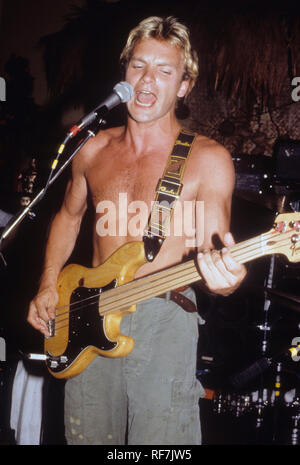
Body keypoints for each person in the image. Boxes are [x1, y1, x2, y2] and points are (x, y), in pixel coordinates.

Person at [27, 16, 246, 445]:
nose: (148, 81)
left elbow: (216, 250)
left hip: (164, 314)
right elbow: (68, 217)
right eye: (138, 66)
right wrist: (48, 284)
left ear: (184, 85)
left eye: (165, 71)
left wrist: (226, 281)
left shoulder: (208, 159)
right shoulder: (92, 148)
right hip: (88, 313)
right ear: (124, 71)